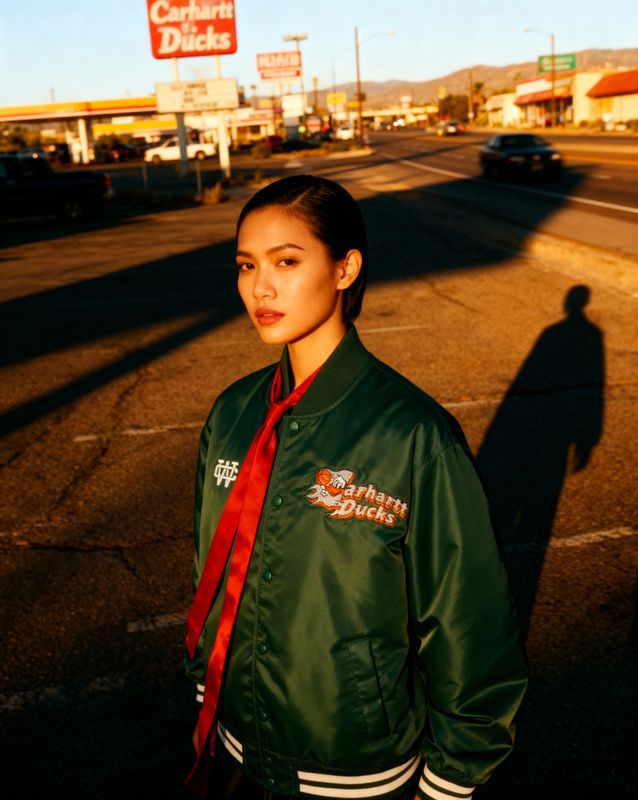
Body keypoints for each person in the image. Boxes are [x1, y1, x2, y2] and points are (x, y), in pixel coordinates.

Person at [184, 175, 527, 800]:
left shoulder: (413, 434)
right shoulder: (232, 415)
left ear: (346, 269)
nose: (261, 287)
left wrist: (450, 780)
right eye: (246, 265)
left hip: (357, 773)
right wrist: (208, 682)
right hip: (235, 748)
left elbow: (470, 623)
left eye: (287, 261)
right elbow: (209, 566)